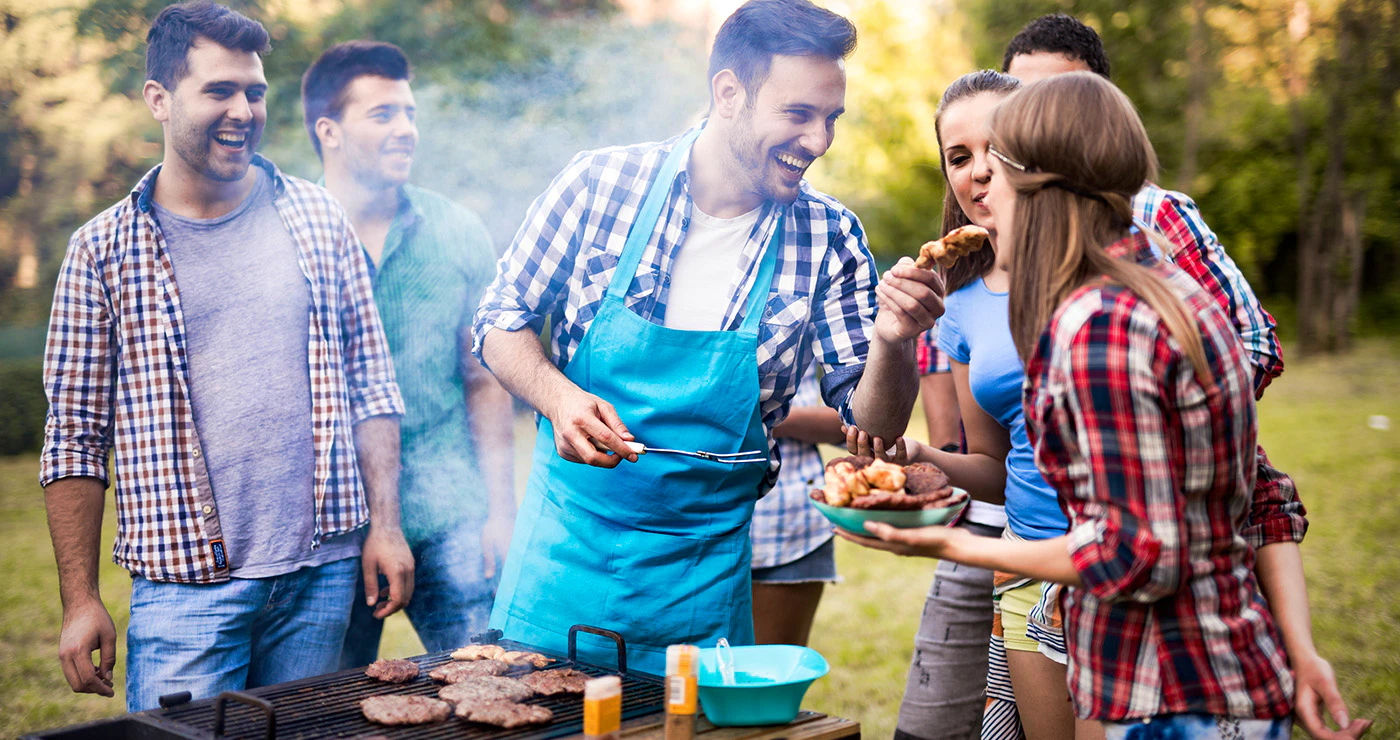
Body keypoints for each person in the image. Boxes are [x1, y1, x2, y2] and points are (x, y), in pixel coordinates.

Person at [843, 72, 1369, 740]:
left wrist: (944, 542)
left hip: (1162, 686)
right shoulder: (1171, 287)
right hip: (1221, 669)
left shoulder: (1099, 324)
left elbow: (1136, 557)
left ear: (1038, 179)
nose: (981, 184)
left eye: (996, 165)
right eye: (962, 160)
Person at [472, 0, 945, 674]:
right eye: (797, 114)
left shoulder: (830, 238)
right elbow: (499, 318)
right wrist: (557, 397)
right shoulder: (600, 185)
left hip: (703, 581)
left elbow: (870, 424)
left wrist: (896, 340)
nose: (818, 141)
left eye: (830, 118)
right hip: (564, 561)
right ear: (729, 93)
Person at [39, 1, 412, 712]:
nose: (242, 109)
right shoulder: (102, 251)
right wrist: (81, 600)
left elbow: (372, 385)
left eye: (254, 91)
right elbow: (75, 441)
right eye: (218, 90)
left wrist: (385, 527)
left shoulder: (316, 216)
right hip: (187, 593)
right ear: (159, 99)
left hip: (323, 579)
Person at [301, 40, 517, 668]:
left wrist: (499, 512)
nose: (405, 130)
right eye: (383, 115)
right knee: (319, 714)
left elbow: (485, 380)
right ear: (329, 131)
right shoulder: (288, 235)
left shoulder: (458, 231)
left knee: (493, 691)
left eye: (410, 113)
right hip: (327, 534)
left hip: (450, 514)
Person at [750, 363, 845, 646]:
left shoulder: (814, 318)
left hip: (787, 529)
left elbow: (853, 421)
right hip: (679, 527)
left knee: (768, 684)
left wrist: (762, 416)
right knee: (681, 682)